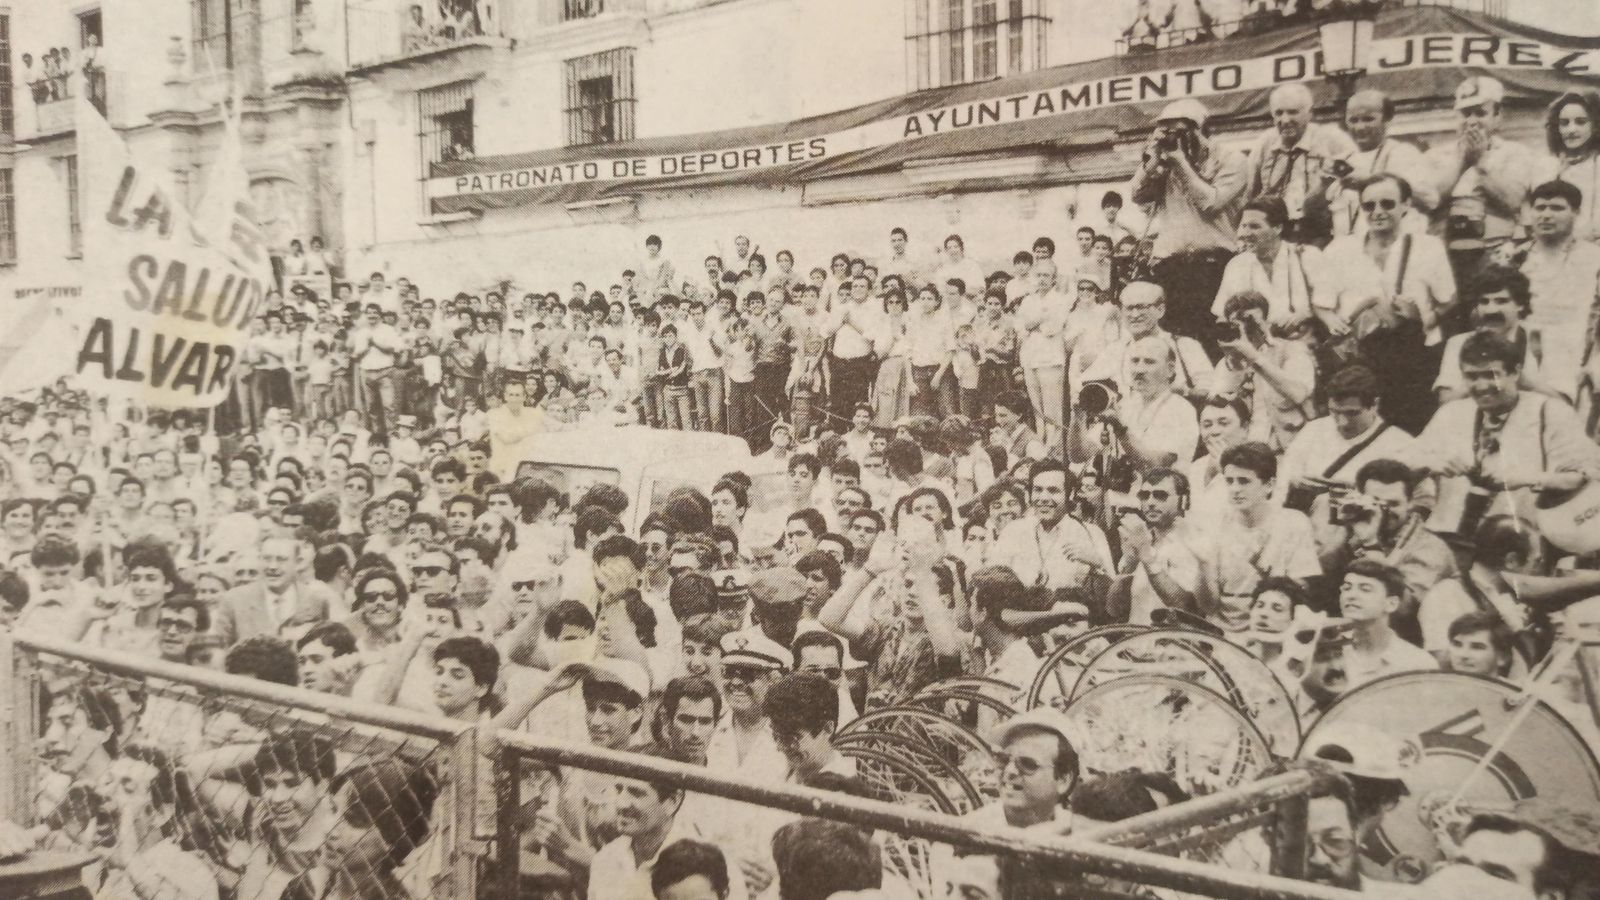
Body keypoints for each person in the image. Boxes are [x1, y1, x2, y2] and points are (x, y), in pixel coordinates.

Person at [1410, 331, 1600, 519]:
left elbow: (1586, 476)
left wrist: (1523, 478)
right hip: (1452, 536)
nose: (1482, 386)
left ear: (1515, 373)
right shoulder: (1451, 413)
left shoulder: (1551, 412)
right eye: (1472, 377)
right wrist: (1435, 464)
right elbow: (1406, 463)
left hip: (1528, 535)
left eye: (1491, 375)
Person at [1322, 174, 1457, 431]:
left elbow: (1449, 299)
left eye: (1387, 204)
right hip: (1360, 359)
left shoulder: (1428, 247)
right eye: (1369, 206)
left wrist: (1424, 318)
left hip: (1413, 359)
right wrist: (1332, 321)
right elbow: (1322, 303)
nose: (1378, 212)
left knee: (1411, 428)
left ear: (1406, 204)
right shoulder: (1340, 250)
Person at [1131, 98, 1249, 342]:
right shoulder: (1166, 163)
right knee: (1175, 344)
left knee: (1213, 342)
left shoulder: (1231, 160)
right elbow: (1137, 195)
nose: (1171, 138)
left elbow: (1210, 203)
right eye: (1165, 132)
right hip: (1172, 268)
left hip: (1214, 267)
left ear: (1199, 130)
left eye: (1178, 131)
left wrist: (1181, 163)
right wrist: (1150, 163)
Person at [1424, 76, 1539, 290]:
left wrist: (1480, 162)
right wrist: (1463, 162)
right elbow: (1431, 200)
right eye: (1466, 113)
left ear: (1497, 116)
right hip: (1444, 255)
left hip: (1494, 253)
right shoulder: (1435, 155)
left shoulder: (1516, 153)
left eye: (1480, 113)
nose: (1472, 121)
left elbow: (1513, 200)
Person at [1194, 442, 1320, 635]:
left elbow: (1300, 592)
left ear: (1269, 485)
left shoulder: (1294, 523)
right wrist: (1202, 566)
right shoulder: (1215, 525)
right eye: (1230, 481)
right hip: (1222, 637)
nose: (1235, 489)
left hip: (1274, 633)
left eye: (1244, 481)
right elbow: (1208, 607)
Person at [282, 760, 436, 900]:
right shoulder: (301, 890)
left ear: (393, 839)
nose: (331, 830)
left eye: (353, 820)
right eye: (333, 809)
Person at [1245, 83, 1358, 246]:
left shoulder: (1332, 139)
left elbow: (1355, 181)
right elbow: (1251, 194)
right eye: (1279, 113)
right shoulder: (1265, 143)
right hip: (1277, 233)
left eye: (1293, 112)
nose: (1285, 120)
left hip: (1321, 232)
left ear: (1309, 113)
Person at [1521, 179, 1600, 402]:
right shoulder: (1514, 258)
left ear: (1576, 213)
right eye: (1540, 208)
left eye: (1557, 208)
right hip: (1524, 353)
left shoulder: (1594, 259)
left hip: (1579, 355)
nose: (1546, 215)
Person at [1330, 89, 1439, 237]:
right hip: (1350, 251)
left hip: (1394, 246)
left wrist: (1369, 181)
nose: (1360, 127)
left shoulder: (1403, 153)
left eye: (1368, 119)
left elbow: (1430, 200)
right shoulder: (1342, 160)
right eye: (1353, 120)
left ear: (1386, 119)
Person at [1212, 196, 1330, 331]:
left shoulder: (1308, 256)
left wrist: (1305, 316)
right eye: (1243, 226)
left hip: (1300, 342)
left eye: (1254, 226)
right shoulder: (1237, 265)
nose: (1245, 233)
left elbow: (1327, 310)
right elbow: (1222, 316)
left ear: (1278, 228)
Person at [1337, 558, 1438, 692]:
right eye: (1347, 588)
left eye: (1365, 589)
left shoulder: (1417, 663)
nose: (1351, 595)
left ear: (1391, 604)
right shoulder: (1325, 655)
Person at [763, 673, 854, 785]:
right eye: (776, 736)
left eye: (791, 738)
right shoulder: (783, 769)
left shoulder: (842, 789)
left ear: (827, 729)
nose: (780, 747)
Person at [1539, 90, 1600, 242]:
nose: (1571, 130)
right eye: (1564, 123)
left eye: (1580, 122)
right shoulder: (1546, 166)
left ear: (1596, 126)